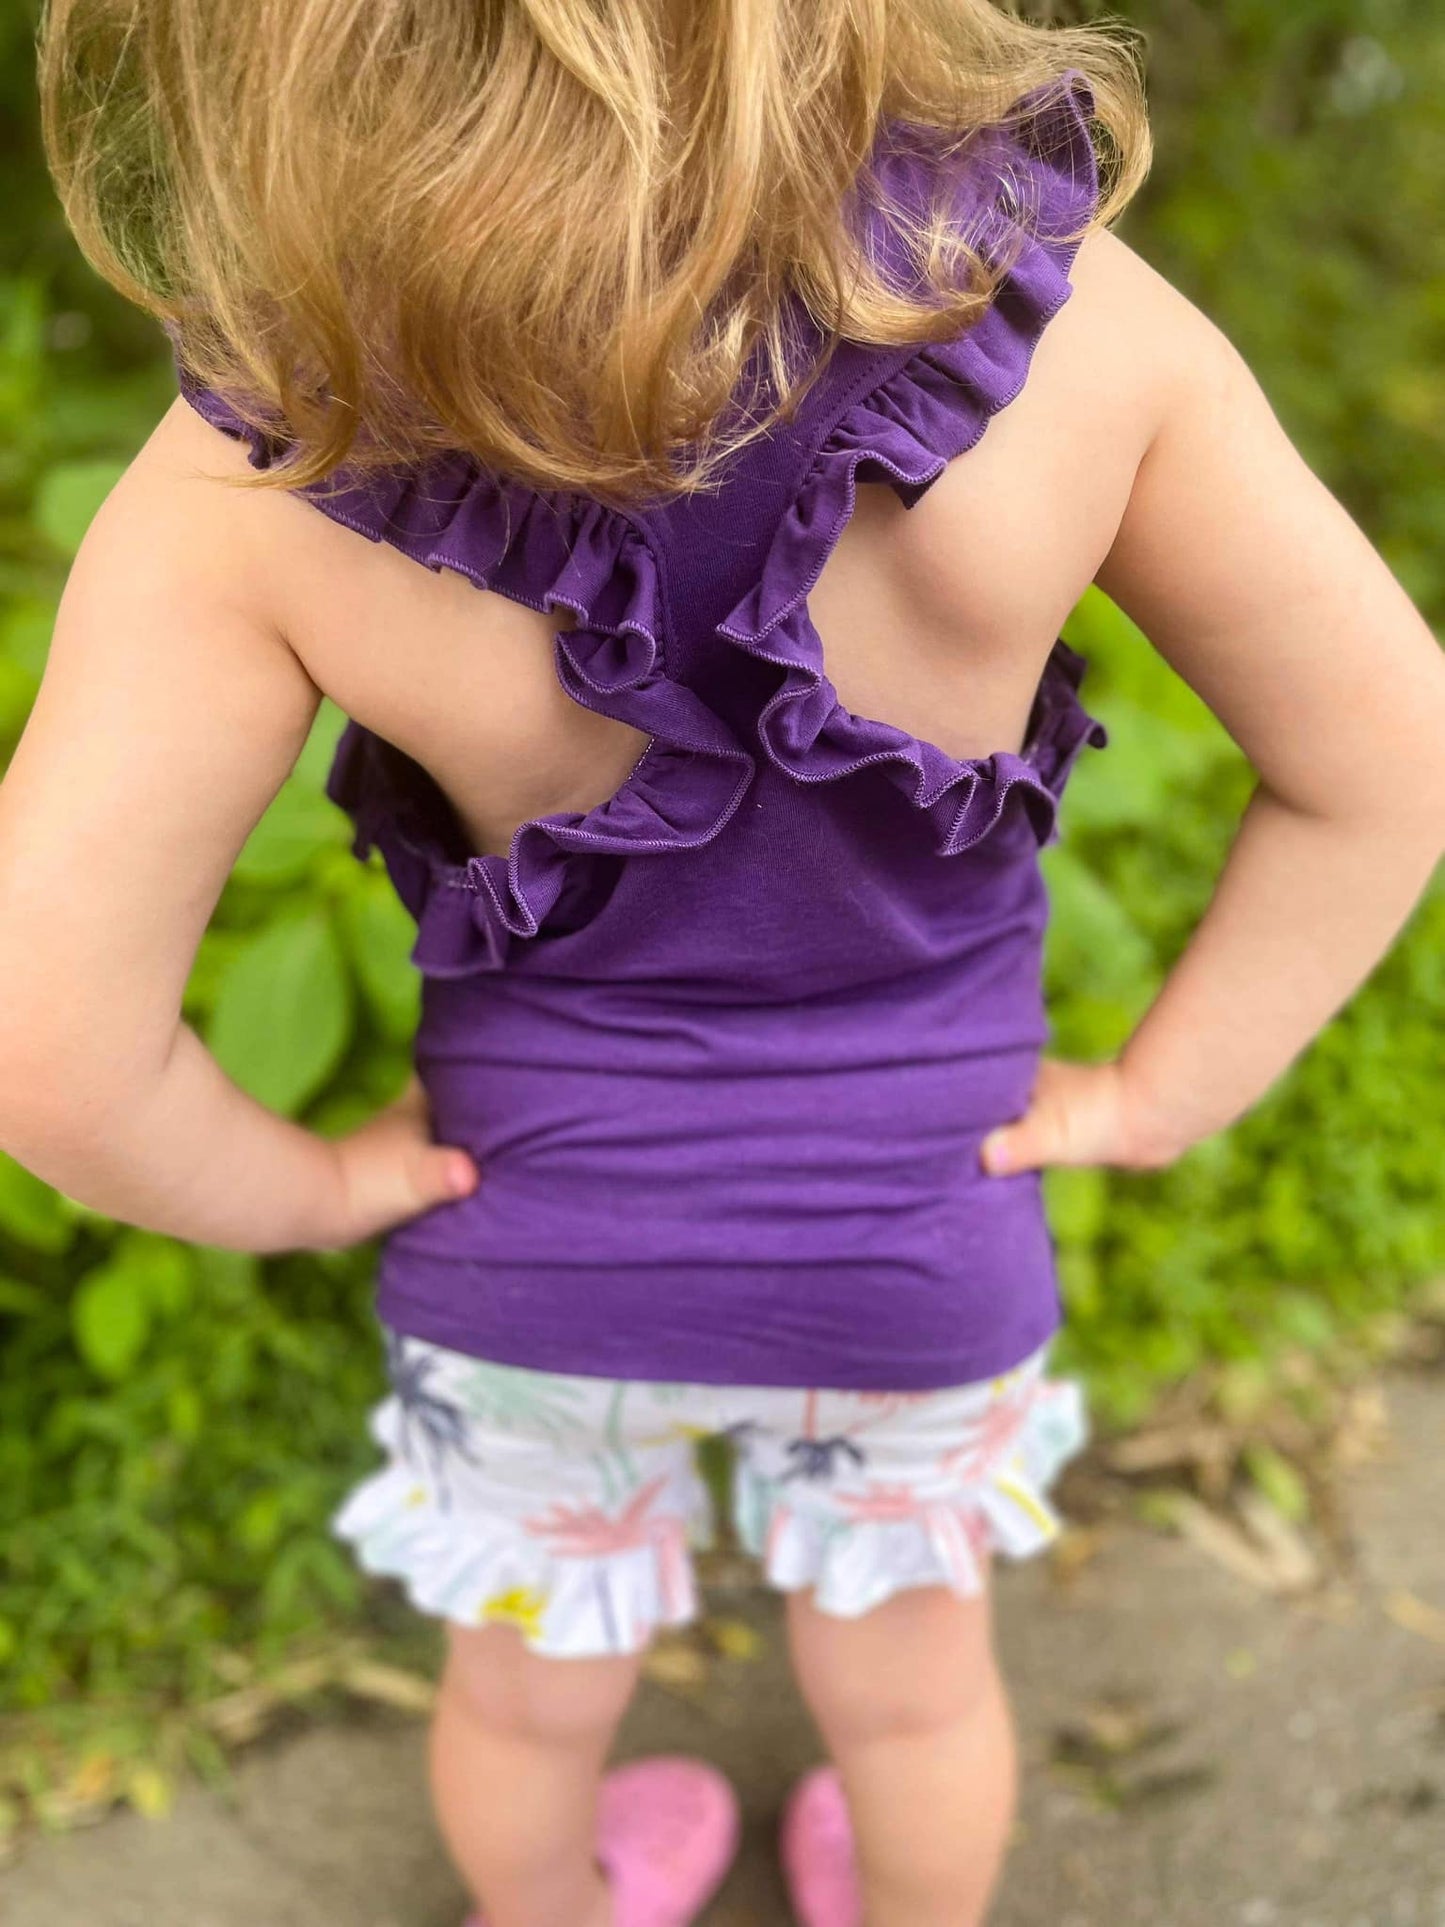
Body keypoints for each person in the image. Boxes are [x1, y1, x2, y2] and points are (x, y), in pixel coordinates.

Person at [5, 2, 1444, 1923]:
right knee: (921, 1699)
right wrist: (1168, 1092)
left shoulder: (266, 465)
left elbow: (45, 1050)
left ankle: (552, 1905)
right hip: (916, 1240)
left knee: (523, 1702)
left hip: (533, 1252)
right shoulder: (1075, 336)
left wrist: (313, 1185)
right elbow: (1390, 759)